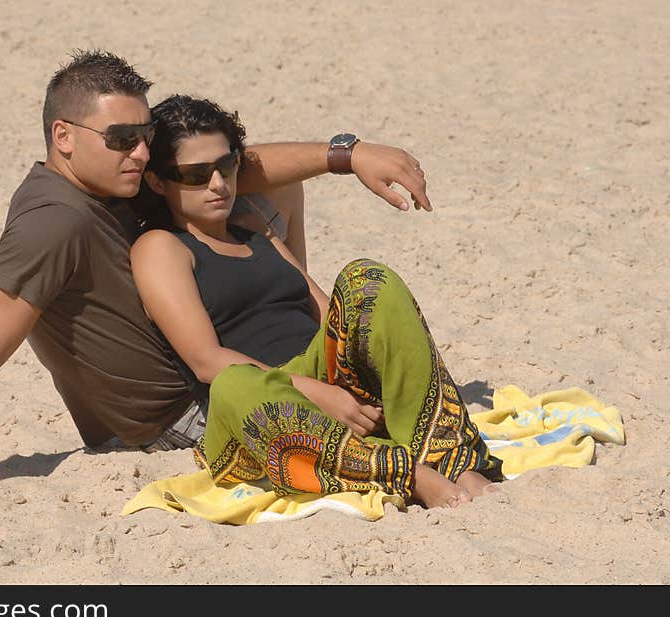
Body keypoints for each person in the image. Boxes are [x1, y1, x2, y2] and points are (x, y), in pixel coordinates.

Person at [0, 50, 432, 511]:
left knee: (268, 188)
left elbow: (233, 163)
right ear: (63, 136)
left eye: (144, 137)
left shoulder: (111, 177)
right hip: (181, 417)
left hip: (214, 373)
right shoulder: (53, 221)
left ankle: (309, 338)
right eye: (122, 139)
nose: (140, 152)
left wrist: (347, 155)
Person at [130, 95, 503, 508]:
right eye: (196, 174)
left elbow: (328, 311)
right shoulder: (161, 248)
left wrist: (351, 370)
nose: (218, 184)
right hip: (259, 405)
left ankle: (450, 459)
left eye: (227, 165)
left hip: (321, 372)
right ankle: (408, 474)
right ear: (158, 182)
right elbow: (206, 360)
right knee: (234, 384)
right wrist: (314, 392)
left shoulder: (254, 228)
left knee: (368, 280)